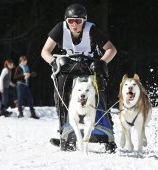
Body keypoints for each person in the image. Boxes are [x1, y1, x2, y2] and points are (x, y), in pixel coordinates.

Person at [41, 4, 117, 152]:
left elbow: (111, 49)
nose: (74, 25)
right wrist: (53, 62)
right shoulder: (59, 29)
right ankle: (64, 131)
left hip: (88, 65)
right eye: (71, 21)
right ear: (66, 21)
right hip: (67, 65)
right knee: (60, 90)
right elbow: (45, 51)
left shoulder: (92, 30)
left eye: (78, 21)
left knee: (99, 91)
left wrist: (101, 63)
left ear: (84, 21)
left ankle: (107, 130)